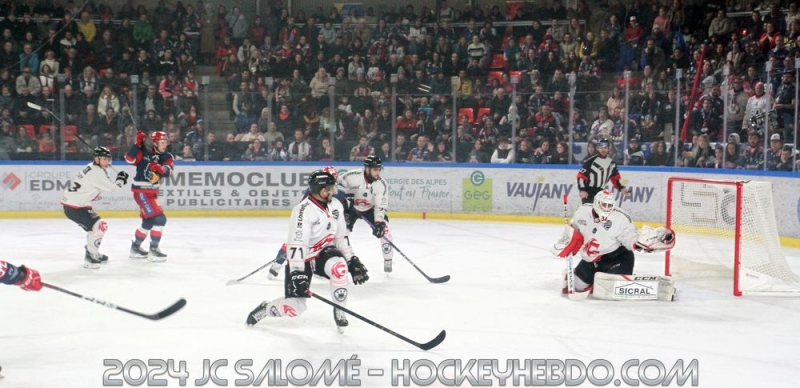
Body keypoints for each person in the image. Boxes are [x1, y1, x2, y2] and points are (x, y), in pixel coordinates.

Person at [245, 170, 369, 330]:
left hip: (323, 253)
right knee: (295, 308)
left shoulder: (336, 205)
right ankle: (266, 309)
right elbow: (297, 245)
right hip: (302, 259)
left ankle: (340, 309)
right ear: (323, 191)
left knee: (340, 267)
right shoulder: (303, 211)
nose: (335, 191)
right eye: (332, 188)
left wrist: (351, 259)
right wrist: (296, 273)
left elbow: (340, 237)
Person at [551, 190, 676, 298]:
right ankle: (595, 281)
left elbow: (630, 237)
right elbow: (574, 232)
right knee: (576, 285)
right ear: (596, 203)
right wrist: (567, 243)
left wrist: (640, 243)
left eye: (609, 205)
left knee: (609, 289)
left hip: (617, 258)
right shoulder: (582, 213)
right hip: (592, 260)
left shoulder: (620, 218)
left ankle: (624, 280)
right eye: (603, 204)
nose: (606, 208)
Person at [61, 146, 130, 268]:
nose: (107, 161)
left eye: (108, 158)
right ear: (96, 159)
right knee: (100, 226)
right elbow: (115, 188)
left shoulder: (93, 167)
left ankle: (93, 252)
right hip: (75, 207)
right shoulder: (96, 172)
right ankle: (90, 256)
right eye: (104, 159)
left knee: (95, 228)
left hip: (79, 204)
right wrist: (121, 179)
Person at [124, 131, 175, 261]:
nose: (164, 145)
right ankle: (154, 250)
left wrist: (160, 168)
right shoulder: (144, 152)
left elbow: (168, 171)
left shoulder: (167, 156)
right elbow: (129, 159)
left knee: (148, 221)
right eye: (162, 142)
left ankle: (135, 247)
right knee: (160, 219)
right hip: (141, 192)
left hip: (152, 193)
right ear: (155, 142)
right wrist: (136, 144)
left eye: (166, 142)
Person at [339, 156, 394, 272]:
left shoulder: (382, 184)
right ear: (367, 169)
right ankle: (344, 260)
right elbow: (337, 187)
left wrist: (379, 223)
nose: (378, 172)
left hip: (370, 209)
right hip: (351, 208)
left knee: (386, 230)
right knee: (341, 234)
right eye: (375, 169)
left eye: (379, 169)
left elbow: (380, 205)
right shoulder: (351, 176)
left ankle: (388, 260)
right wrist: (344, 199)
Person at [576, 137, 629, 204]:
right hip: (589, 191)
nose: (603, 150)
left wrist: (621, 188)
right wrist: (582, 190)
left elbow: (615, 179)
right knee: (588, 212)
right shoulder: (590, 161)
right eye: (601, 148)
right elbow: (581, 176)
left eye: (605, 148)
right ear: (598, 148)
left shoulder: (612, 163)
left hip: (601, 193)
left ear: (608, 149)